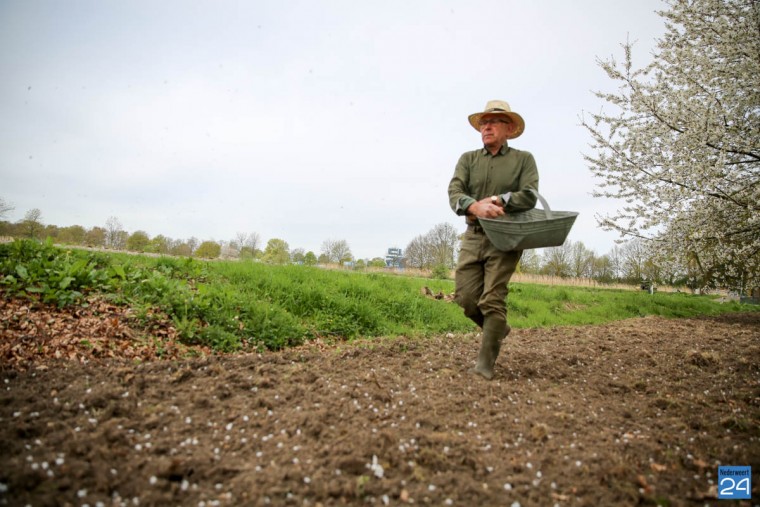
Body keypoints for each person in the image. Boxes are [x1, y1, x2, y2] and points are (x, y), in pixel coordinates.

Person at [447, 100, 539, 380]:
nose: (486, 126)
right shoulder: (468, 159)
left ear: (509, 128)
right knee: (465, 297)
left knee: (492, 299)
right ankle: (497, 328)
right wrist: (474, 206)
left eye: (494, 121)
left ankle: (484, 366)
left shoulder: (523, 159)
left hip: (507, 236)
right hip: (473, 235)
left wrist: (500, 200)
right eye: (483, 122)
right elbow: (454, 190)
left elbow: (530, 194)